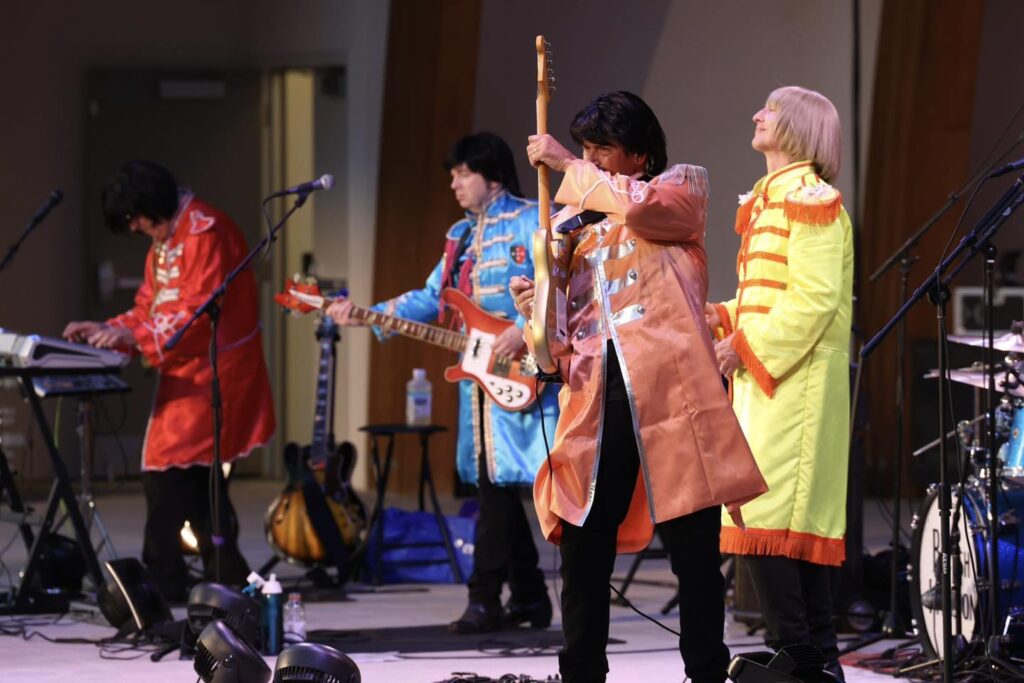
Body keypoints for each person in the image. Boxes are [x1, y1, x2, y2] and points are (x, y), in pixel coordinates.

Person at [512, 91, 767, 683]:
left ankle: (705, 671)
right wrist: (536, 310)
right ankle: (581, 672)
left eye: (603, 148)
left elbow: (647, 211)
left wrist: (567, 167)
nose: (590, 158)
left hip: (674, 399)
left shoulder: (680, 189)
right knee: (583, 548)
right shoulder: (569, 224)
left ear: (639, 153)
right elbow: (554, 345)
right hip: (597, 403)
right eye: (585, 149)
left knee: (694, 553)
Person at [326, 132, 559, 633]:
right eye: (452, 174)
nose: (454, 182)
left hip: (525, 368)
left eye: (462, 173)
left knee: (500, 488)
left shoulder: (530, 218)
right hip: (477, 378)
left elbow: (557, 287)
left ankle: (484, 597)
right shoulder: (459, 236)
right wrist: (368, 314)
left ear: (491, 174)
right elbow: (434, 296)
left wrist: (524, 330)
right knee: (493, 486)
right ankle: (530, 597)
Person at [63, 160, 276, 601]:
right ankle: (222, 574)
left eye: (136, 218)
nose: (138, 228)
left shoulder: (204, 231)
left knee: (169, 470)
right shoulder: (168, 240)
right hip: (187, 369)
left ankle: (165, 577)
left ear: (150, 206)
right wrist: (107, 330)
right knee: (196, 479)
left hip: (215, 369)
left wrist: (132, 335)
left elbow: (195, 314)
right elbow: (150, 308)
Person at [705, 86, 853, 680]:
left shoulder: (812, 200)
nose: (756, 113)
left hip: (796, 385)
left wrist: (742, 346)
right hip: (770, 382)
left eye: (767, 108)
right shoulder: (776, 200)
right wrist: (720, 318)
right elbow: (765, 299)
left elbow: (813, 302)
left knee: (772, 516)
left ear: (794, 125)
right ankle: (813, 658)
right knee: (773, 519)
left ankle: (803, 654)